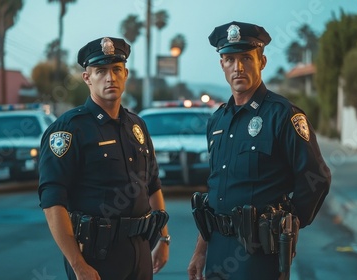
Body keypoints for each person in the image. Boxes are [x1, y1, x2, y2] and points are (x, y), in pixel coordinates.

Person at [187, 21, 331, 280]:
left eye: (246, 57)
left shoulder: (283, 115)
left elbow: (316, 177)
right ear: (222, 65)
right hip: (218, 251)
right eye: (229, 59)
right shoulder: (217, 121)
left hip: (259, 254)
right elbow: (217, 191)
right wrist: (201, 249)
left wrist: (288, 228)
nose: (237, 67)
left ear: (262, 61)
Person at [38, 36, 170, 280]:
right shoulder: (68, 130)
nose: (110, 78)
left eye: (116, 70)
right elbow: (53, 201)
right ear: (87, 77)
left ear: (125, 73)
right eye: (101, 71)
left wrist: (163, 238)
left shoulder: (137, 126)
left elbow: (152, 185)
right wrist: (78, 265)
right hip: (96, 256)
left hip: (140, 249)